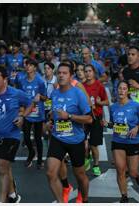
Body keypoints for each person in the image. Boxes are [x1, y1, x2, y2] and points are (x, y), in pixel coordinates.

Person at [0, 66, 33, 202]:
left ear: (5, 80)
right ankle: (13, 194)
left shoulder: (16, 93)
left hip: (11, 135)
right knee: (3, 168)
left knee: (1, 166)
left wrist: (23, 116)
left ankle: (2, 201)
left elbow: (30, 103)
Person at [46, 62, 93, 203]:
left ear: (71, 76)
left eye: (64, 73)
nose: (61, 75)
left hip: (75, 140)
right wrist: (50, 122)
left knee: (80, 175)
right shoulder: (54, 93)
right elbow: (54, 114)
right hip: (58, 138)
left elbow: (90, 118)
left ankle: (84, 199)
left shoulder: (78, 93)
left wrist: (70, 116)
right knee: (50, 173)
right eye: (59, 73)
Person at [109, 81, 139, 203]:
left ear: (128, 91)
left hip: (133, 141)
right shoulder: (113, 107)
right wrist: (108, 124)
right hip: (118, 141)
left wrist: (136, 128)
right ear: (116, 90)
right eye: (119, 88)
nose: (121, 91)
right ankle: (124, 196)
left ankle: (137, 176)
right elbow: (113, 123)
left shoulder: (136, 106)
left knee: (132, 171)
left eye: (124, 89)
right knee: (120, 169)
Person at [17, 59, 47, 169]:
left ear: (35, 68)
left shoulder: (40, 81)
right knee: (26, 137)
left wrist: (40, 97)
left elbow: (45, 97)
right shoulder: (22, 80)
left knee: (38, 138)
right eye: (27, 65)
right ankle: (31, 153)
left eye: (30, 65)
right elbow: (20, 95)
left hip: (38, 112)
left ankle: (39, 160)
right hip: (26, 113)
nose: (28, 67)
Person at [83, 64, 109, 176]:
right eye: (86, 71)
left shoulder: (99, 86)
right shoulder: (81, 86)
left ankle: (96, 165)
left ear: (93, 72)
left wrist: (99, 103)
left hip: (96, 117)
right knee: (83, 144)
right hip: (84, 117)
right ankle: (86, 157)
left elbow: (107, 102)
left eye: (90, 71)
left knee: (93, 145)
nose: (88, 73)